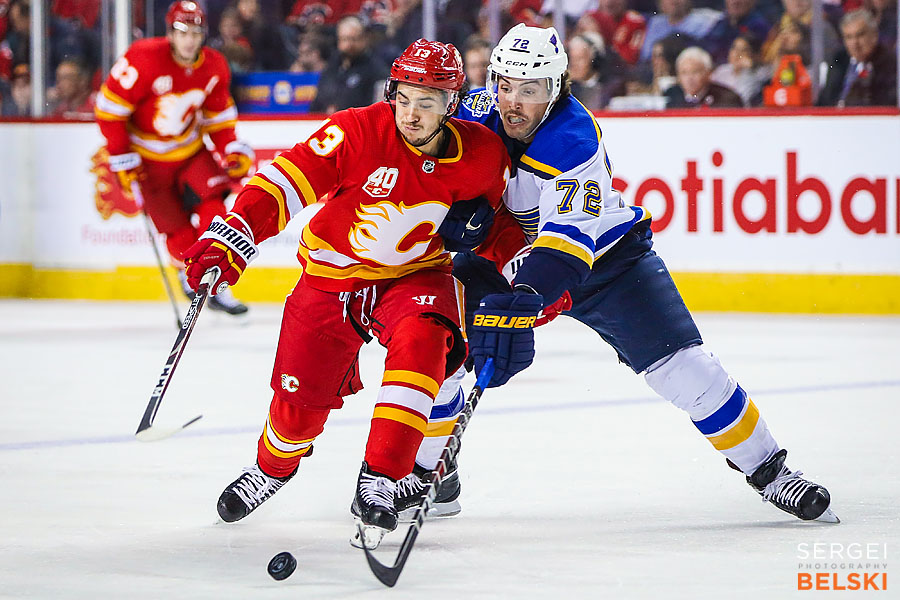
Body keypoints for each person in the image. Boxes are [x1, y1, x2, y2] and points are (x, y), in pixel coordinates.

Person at [404, 23, 838, 526]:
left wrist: (522, 298)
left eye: (530, 89)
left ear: (556, 87)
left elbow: (565, 247)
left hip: (605, 263)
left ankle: (771, 472)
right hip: (508, 257)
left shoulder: (572, 139)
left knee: (688, 371)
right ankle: (431, 471)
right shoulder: (475, 112)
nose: (513, 102)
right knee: (441, 347)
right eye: (505, 85)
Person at [183, 39, 511, 547]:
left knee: (424, 342)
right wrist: (235, 232)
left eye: (426, 102)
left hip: (416, 276)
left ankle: (383, 476)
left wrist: (524, 277)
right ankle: (272, 469)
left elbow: (498, 228)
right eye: (404, 98)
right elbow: (285, 180)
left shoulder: (484, 155)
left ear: (452, 103)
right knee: (297, 406)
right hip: (331, 278)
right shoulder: (357, 130)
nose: (411, 113)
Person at [94, 1, 254, 316]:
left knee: (214, 212)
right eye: (183, 32)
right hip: (147, 162)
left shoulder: (214, 65)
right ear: (170, 33)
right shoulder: (143, 58)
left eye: (195, 33)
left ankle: (217, 279)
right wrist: (121, 156)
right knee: (178, 232)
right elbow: (109, 111)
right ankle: (189, 274)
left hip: (191, 152)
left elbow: (219, 119)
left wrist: (231, 149)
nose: (190, 41)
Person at [817, 8, 898, 107]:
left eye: (860, 35)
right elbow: (824, 100)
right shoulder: (838, 59)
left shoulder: (890, 62)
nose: (854, 43)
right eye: (848, 37)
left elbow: (888, 102)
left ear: (874, 35)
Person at [309, 14, 387, 114]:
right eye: (344, 39)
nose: (349, 44)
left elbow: (378, 109)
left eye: (354, 39)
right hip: (327, 121)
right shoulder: (331, 67)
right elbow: (317, 102)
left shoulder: (376, 70)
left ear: (364, 39)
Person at [665, 45, 745, 107]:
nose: (689, 78)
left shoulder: (728, 99)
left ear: (708, 73)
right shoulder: (670, 95)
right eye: (684, 73)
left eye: (695, 72)